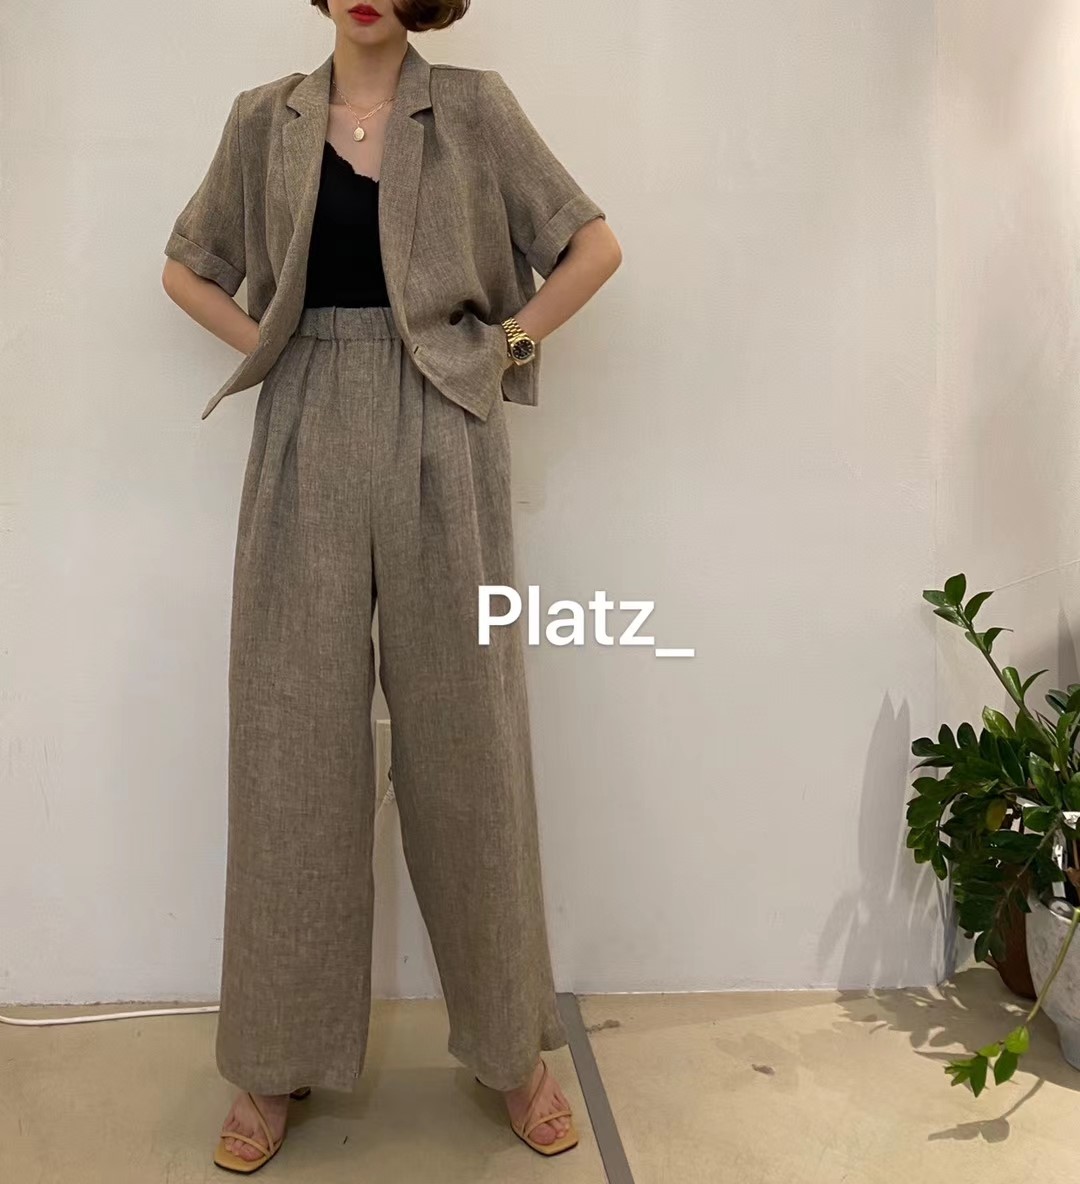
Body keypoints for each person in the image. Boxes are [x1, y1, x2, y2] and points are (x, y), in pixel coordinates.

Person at [161, 0, 621, 1171]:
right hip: (303, 421)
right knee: (290, 746)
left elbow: (592, 247)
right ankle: (273, 1058)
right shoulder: (263, 119)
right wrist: (270, 346)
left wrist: (505, 346)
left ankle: (511, 1051)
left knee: (470, 743)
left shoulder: (473, 109)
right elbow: (185, 268)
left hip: (444, 424)